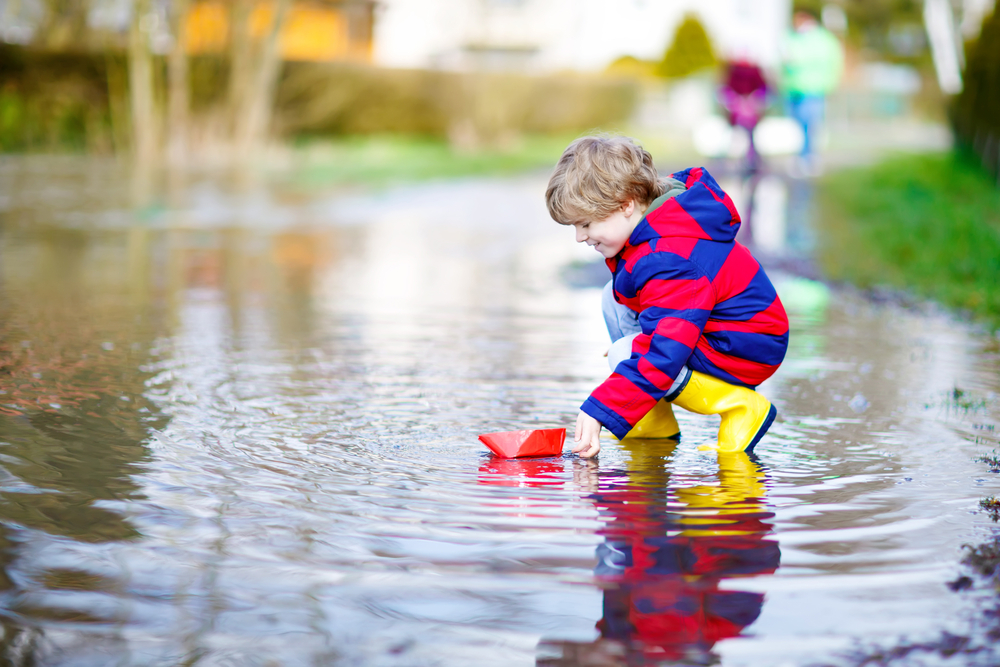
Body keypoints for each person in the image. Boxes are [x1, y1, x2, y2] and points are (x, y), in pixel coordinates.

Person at [545, 135, 789, 458]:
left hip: (744, 347)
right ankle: (653, 420)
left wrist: (601, 408)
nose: (579, 237)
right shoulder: (657, 223)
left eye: (586, 223)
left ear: (626, 204)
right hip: (726, 331)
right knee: (613, 299)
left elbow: (663, 353)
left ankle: (742, 406)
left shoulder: (670, 257)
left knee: (625, 354)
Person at [781, 8, 844, 174]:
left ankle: (809, 158)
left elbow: (830, 63)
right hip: (794, 89)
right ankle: (802, 156)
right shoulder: (792, 37)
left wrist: (830, 84)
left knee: (810, 124)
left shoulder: (823, 40)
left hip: (813, 89)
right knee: (799, 126)